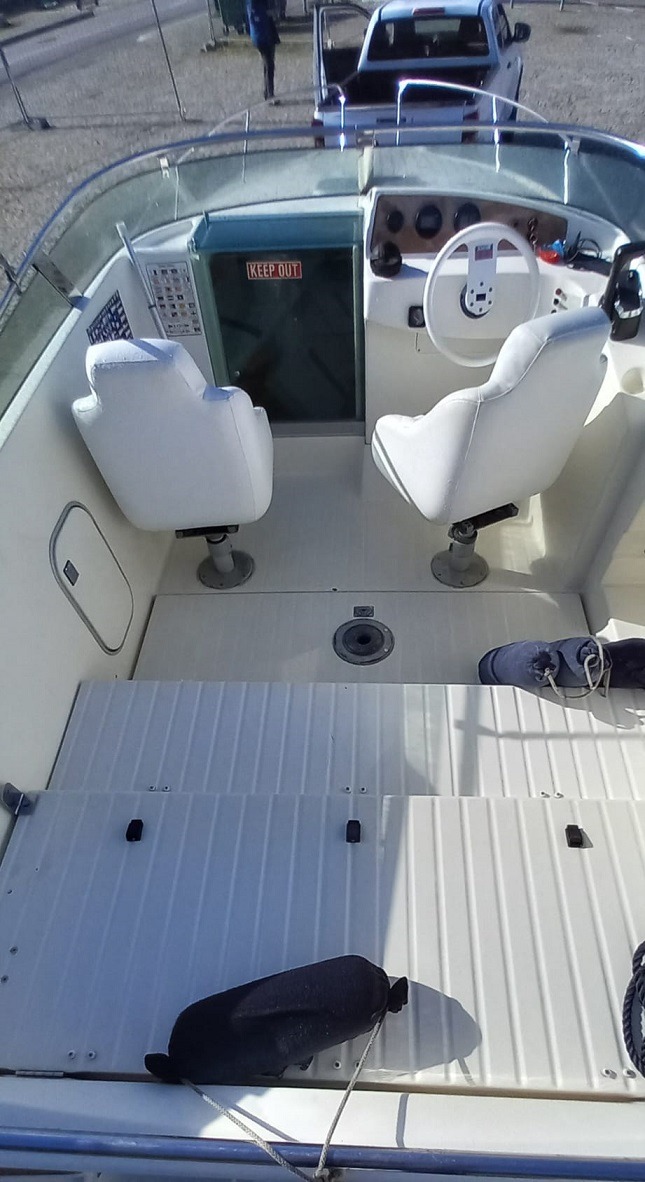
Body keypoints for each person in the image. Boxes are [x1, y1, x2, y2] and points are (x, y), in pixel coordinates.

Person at [246, 0, 280, 103]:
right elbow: (255, 16)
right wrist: (267, 13)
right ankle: (269, 94)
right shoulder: (253, 3)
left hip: (267, 32)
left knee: (268, 64)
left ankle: (267, 92)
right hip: (262, 35)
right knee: (269, 65)